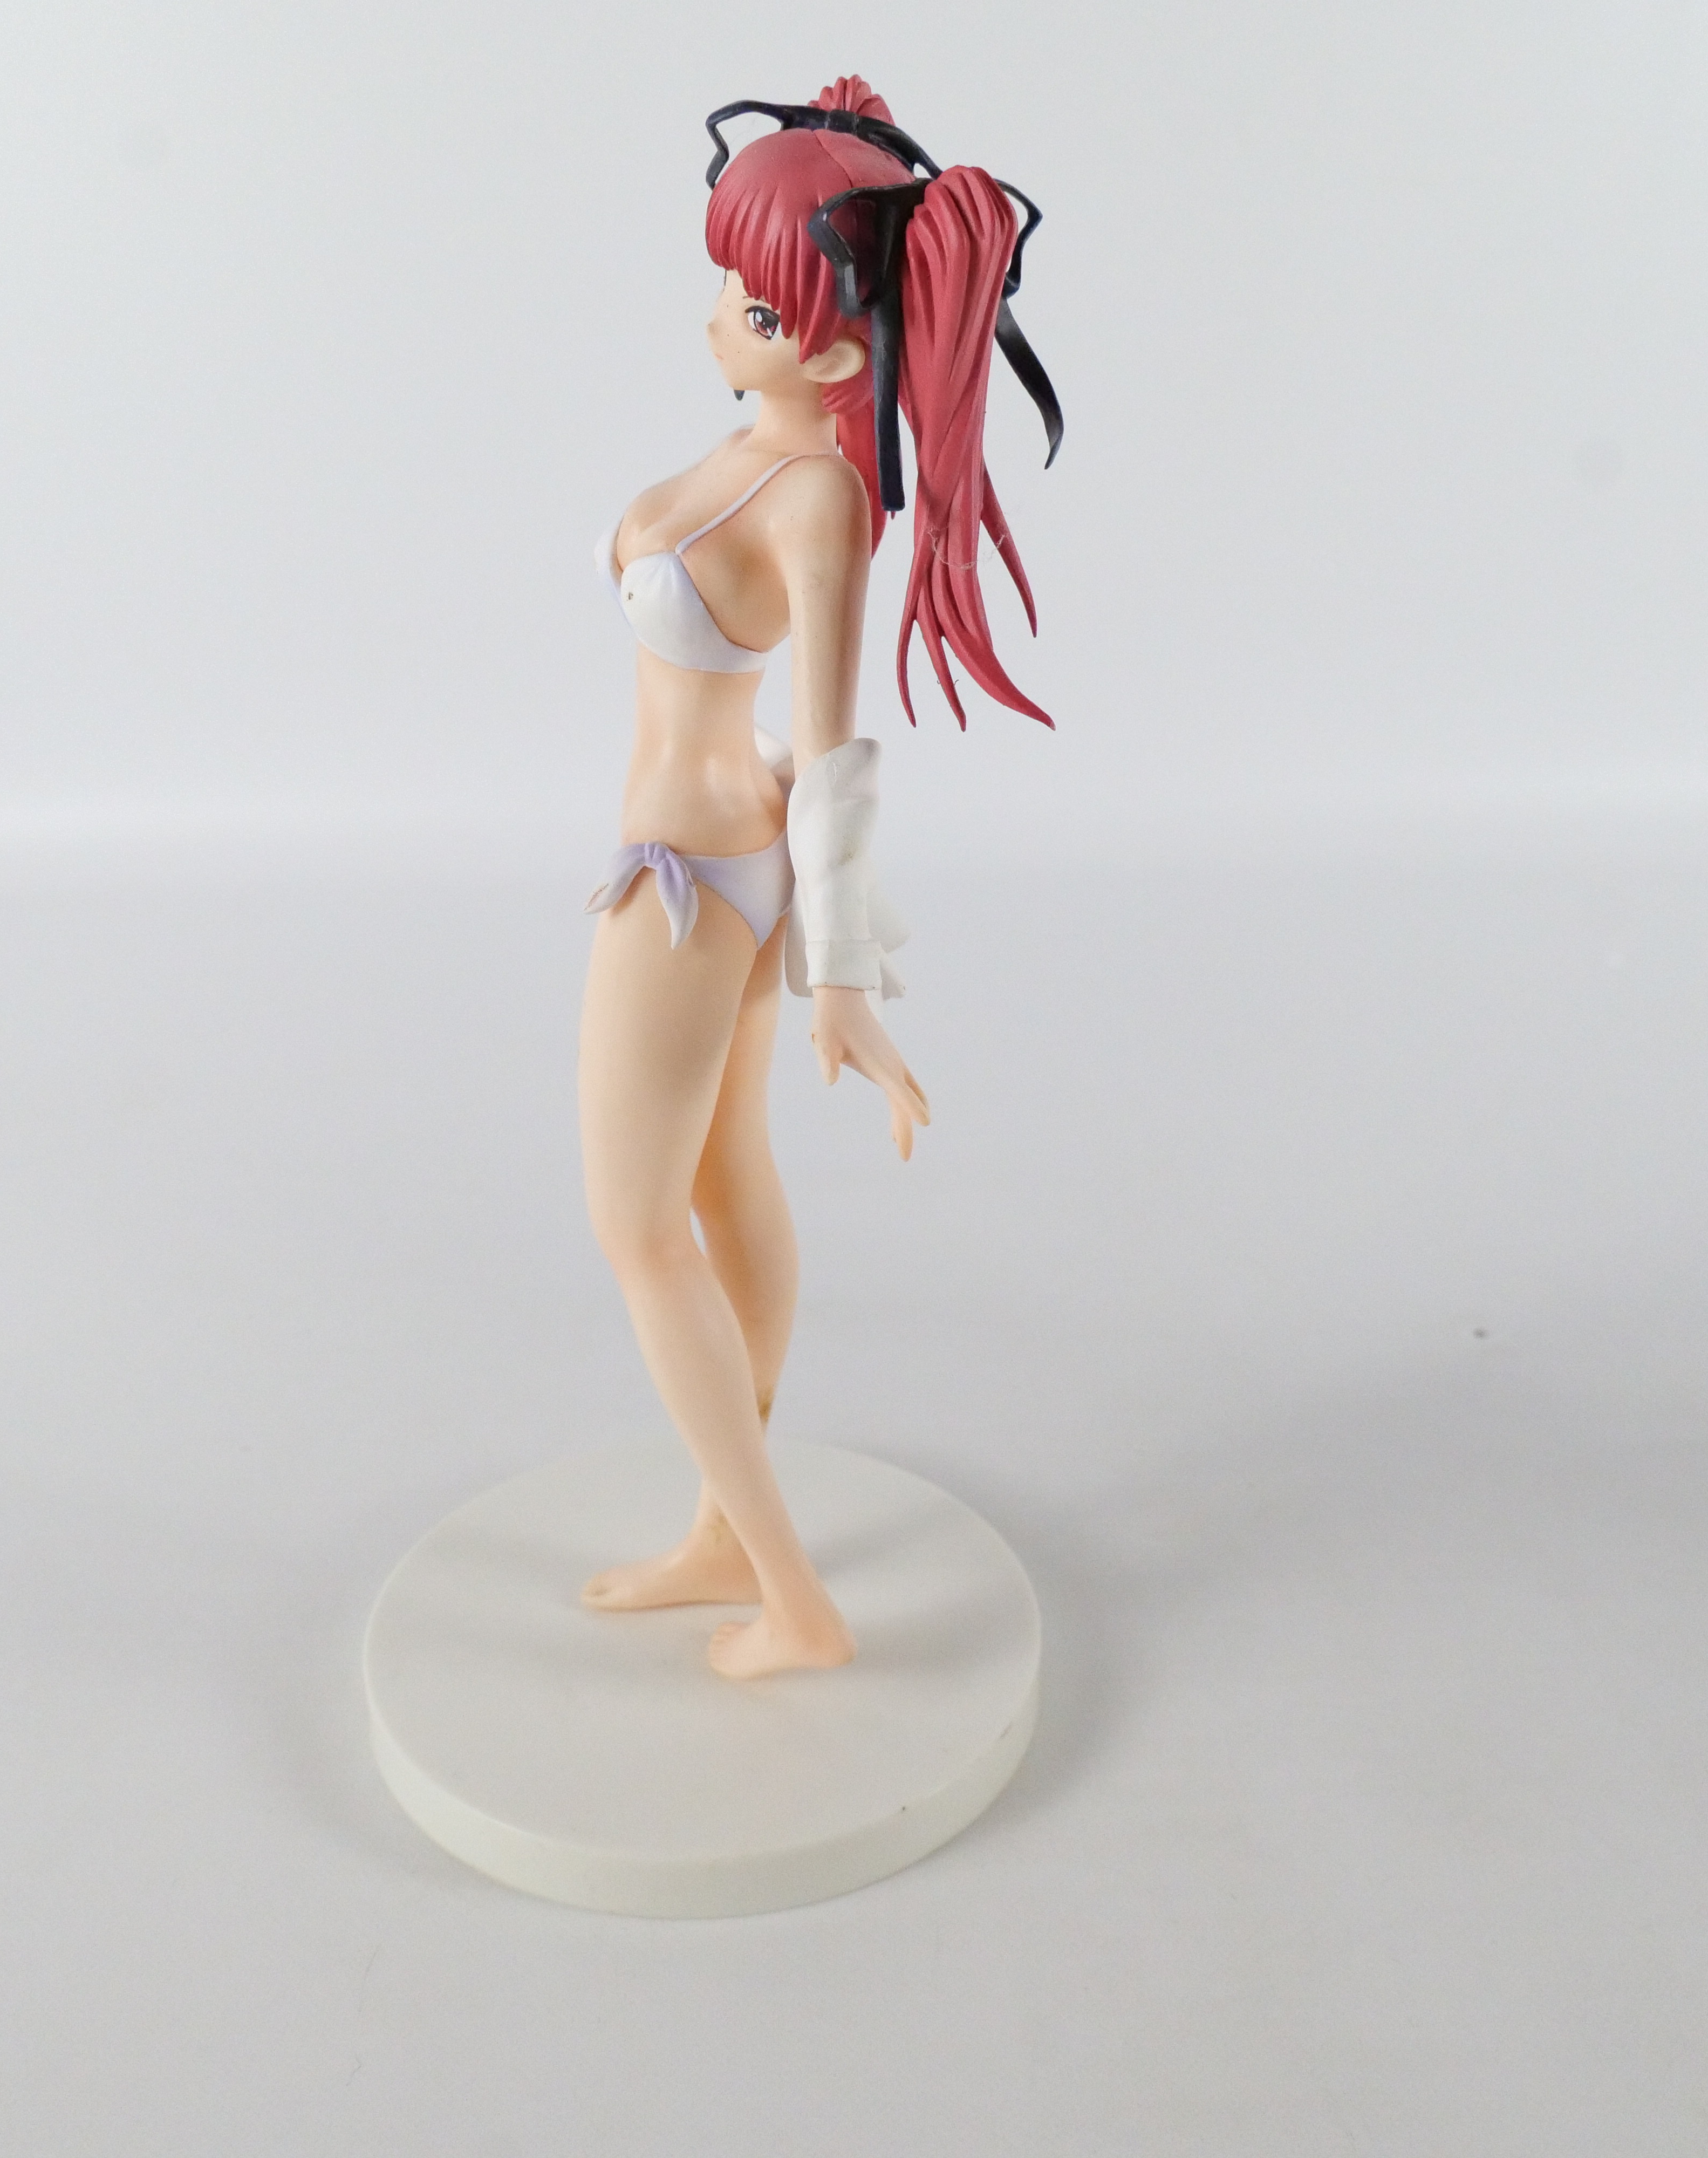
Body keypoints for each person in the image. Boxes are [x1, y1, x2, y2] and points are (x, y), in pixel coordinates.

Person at [576, 77, 1061, 1677]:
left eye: (762, 305)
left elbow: (841, 749)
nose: (724, 311)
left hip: (688, 883)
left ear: (844, 356)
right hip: (715, 845)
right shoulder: (761, 451)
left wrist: (844, 980)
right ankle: (726, 1541)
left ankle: (794, 1600)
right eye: (729, 281)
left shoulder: (820, 503)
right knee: (723, 1189)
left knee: (635, 1227)